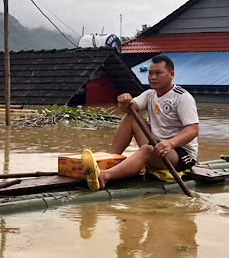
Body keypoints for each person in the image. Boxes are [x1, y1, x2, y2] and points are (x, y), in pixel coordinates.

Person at [82, 54, 199, 191]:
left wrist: (169, 143)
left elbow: (193, 130)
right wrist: (124, 102)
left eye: (158, 73)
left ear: (171, 74)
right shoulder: (150, 94)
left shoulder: (182, 97)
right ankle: (110, 160)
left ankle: (104, 176)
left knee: (146, 150)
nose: (153, 77)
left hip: (180, 155)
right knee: (130, 117)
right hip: (156, 145)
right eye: (150, 73)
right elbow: (127, 108)